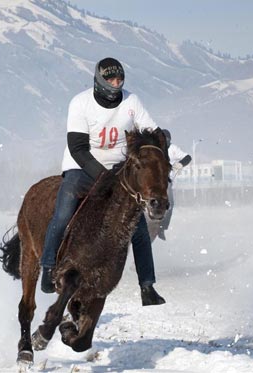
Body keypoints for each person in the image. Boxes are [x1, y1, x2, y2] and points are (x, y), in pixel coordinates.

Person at [40, 57, 166, 306]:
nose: (116, 84)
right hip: (82, 168)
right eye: (111, 80)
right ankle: (48, 266)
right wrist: (101, 175)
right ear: (99, 81)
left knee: (139, 229)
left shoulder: (132, 101)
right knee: (63, 215)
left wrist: (166, 146)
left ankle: (147, 285)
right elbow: (77, 148)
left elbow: (153, 132)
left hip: (118, 172)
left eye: (120, 79)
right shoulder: (80, 103)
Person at [157, 129, 191, 241]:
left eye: (166, 140)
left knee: (170, 204)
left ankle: (162, 227)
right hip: (152, 179)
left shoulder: (173, 149)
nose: (164, 142)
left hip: (166, 181)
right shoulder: (154, 148)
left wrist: (180, 164)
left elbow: (188, 157)